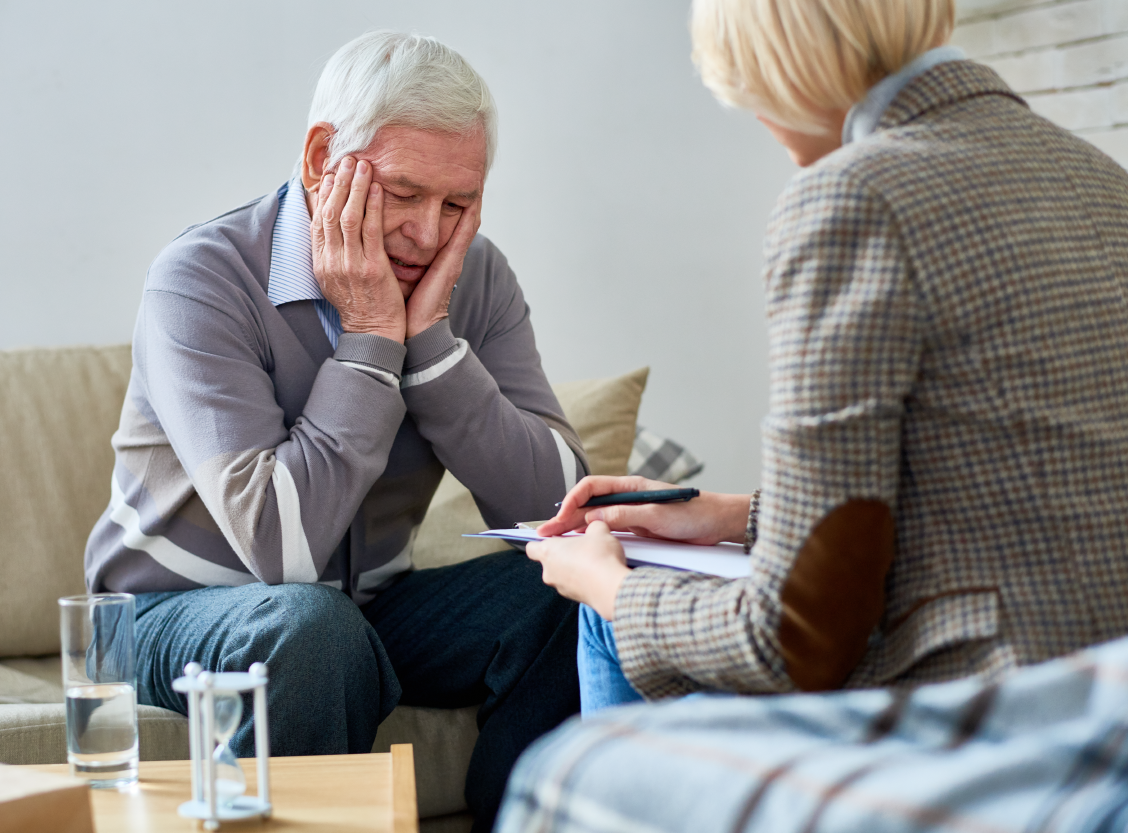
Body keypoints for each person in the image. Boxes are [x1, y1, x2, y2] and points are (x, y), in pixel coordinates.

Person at [526, 0, 1128, 714]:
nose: (752, 114)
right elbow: (996, 490)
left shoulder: (853, 197)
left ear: (784, 58)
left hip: (989, 707)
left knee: (605, 629)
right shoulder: (1100, 178)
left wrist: (609, 584)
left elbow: (795, 638)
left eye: (746, 86)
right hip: (1102, 686)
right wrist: (729, 515)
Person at [82, 31, 585, 830]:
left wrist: (434, 350)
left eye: (457, 203)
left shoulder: (474, 275)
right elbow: (282, 552)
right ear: (322, 158)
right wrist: (374, 335)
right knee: (310, 627)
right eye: (404, 193)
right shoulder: (202, 278)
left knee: (571, 587)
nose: (428, 234)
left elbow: (563, 508)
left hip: (365, 604)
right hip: (168, 610)